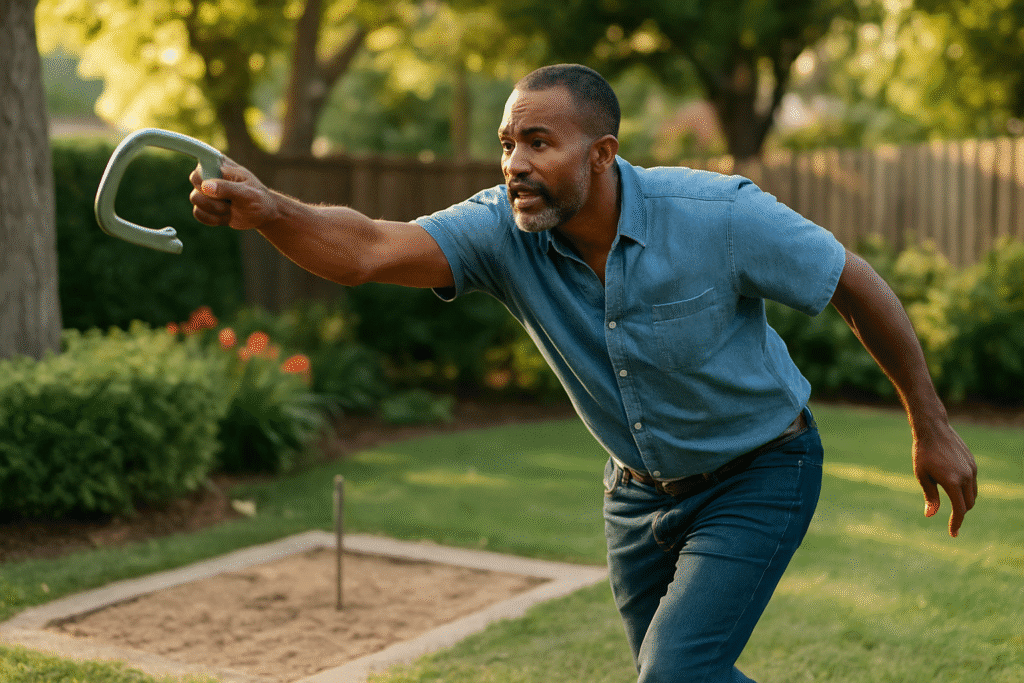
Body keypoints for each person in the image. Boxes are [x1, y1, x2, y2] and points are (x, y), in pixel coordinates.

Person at [189, 64, 978, 683]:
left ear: (601, 154)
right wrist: (272, 212)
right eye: (507, 143)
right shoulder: (502, 231)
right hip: (635, 496)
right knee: (675, 678)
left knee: (674, 673)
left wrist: (931, 425)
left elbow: (855, 282)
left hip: (759, 471)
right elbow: (365, 248)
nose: (515, 164)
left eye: (539, 142)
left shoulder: (718, 215)